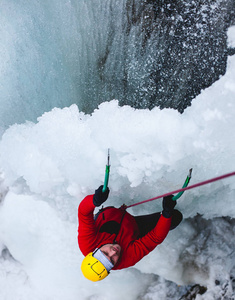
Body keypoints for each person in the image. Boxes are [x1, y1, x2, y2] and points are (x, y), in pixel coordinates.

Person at [78, 185, 182, 282]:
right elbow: (155, 238)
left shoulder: (87, 242)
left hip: (110, 215)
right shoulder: (126, 260)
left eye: (105, 253)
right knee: (174, 217)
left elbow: (84, 213)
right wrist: (166, 214)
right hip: (134, 229)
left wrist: (94, 200)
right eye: (112, 261)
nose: (113, 252)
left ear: (95, 251)